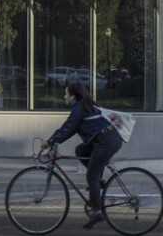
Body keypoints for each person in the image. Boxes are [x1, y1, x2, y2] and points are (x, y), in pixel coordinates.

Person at [47, 79, 123, 228]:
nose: (64, 97)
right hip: (106, 140)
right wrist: (54, 141)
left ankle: (97, 211)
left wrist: (49, 142)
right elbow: (70, 130)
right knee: (81, 150)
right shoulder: (82, 107)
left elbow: (67, 128)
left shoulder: (79, 108)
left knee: (91, 176)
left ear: (73, 96)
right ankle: (98, 182)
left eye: (66, 94)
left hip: (106, 142)